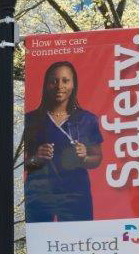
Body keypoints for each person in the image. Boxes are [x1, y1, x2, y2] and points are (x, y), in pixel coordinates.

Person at [24, 61, 103, 222]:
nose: (59, 86)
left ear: (74, 84)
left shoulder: (87, 119)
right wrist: (37, 158)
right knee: (41, 244)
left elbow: (97, 158)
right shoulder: (30, 120)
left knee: (78, 243)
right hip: (40, 194)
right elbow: (23, 164)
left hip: (75, 194)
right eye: (54, 81)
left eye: (65, 80)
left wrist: (85, 157)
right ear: (46, 85)